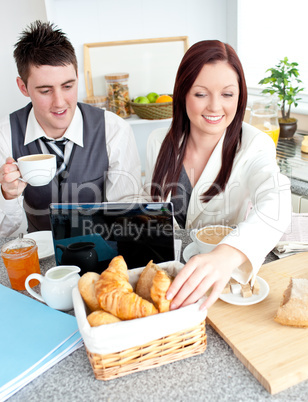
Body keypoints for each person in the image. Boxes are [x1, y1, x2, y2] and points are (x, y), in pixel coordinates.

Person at [144, 40, 291, 311]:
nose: (215, 107)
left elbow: (276, 201)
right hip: (171, 279)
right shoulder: (158, 141)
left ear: (240, 96)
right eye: (201, 94)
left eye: (227, 94)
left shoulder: (254, 144)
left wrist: (227, 253)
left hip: (222, 283)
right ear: (182, 93)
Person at [0, 21, 141, 236]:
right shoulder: (5, 136)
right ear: (23, 87)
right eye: (45, 90)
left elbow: (126, 217)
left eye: (68, 86)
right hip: (38, 255)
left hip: (101, 253)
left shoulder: (114, 130)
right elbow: (7, 236)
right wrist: (8, 196)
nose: (60, 102)